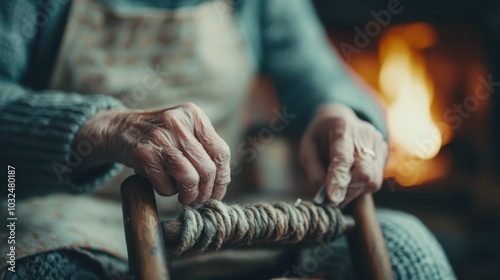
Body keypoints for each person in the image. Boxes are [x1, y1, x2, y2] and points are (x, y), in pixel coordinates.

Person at [0, 0, 454, 279]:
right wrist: (105, 128)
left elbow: (318, 73)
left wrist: (340, 112)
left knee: (406, 247)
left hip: (220, 214)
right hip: (69, 216)